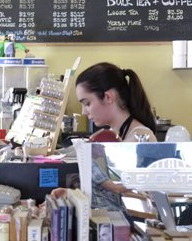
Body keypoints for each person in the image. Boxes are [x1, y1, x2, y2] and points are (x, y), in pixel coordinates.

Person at [50, 62, 157, 211]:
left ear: (108, 97)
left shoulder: (140, 139)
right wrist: (72, 196)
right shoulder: (119, 135)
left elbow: (136, 204)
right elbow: (111, 197)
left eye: (87, 103)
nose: (84, 112)